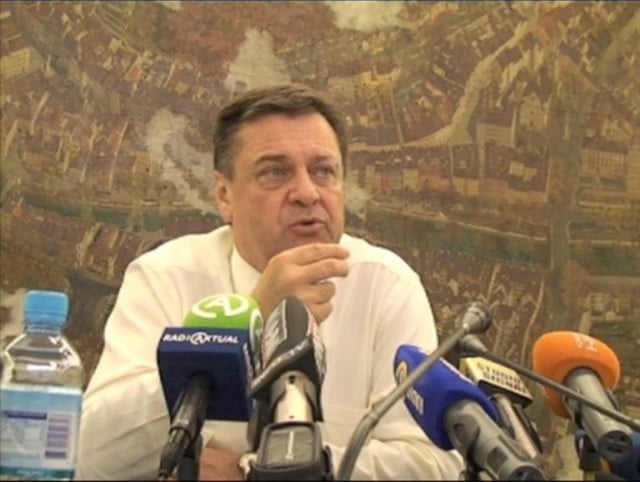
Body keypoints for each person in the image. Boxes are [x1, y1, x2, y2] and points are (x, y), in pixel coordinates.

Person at [76, 84, 464, 480]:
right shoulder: (166, 277)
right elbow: (91, 457)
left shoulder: (386, 286)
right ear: (224, 195)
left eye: (323, 171)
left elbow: (432, 465)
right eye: (275, 172)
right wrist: (247, 324)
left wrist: (256, 472)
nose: (307, 193)